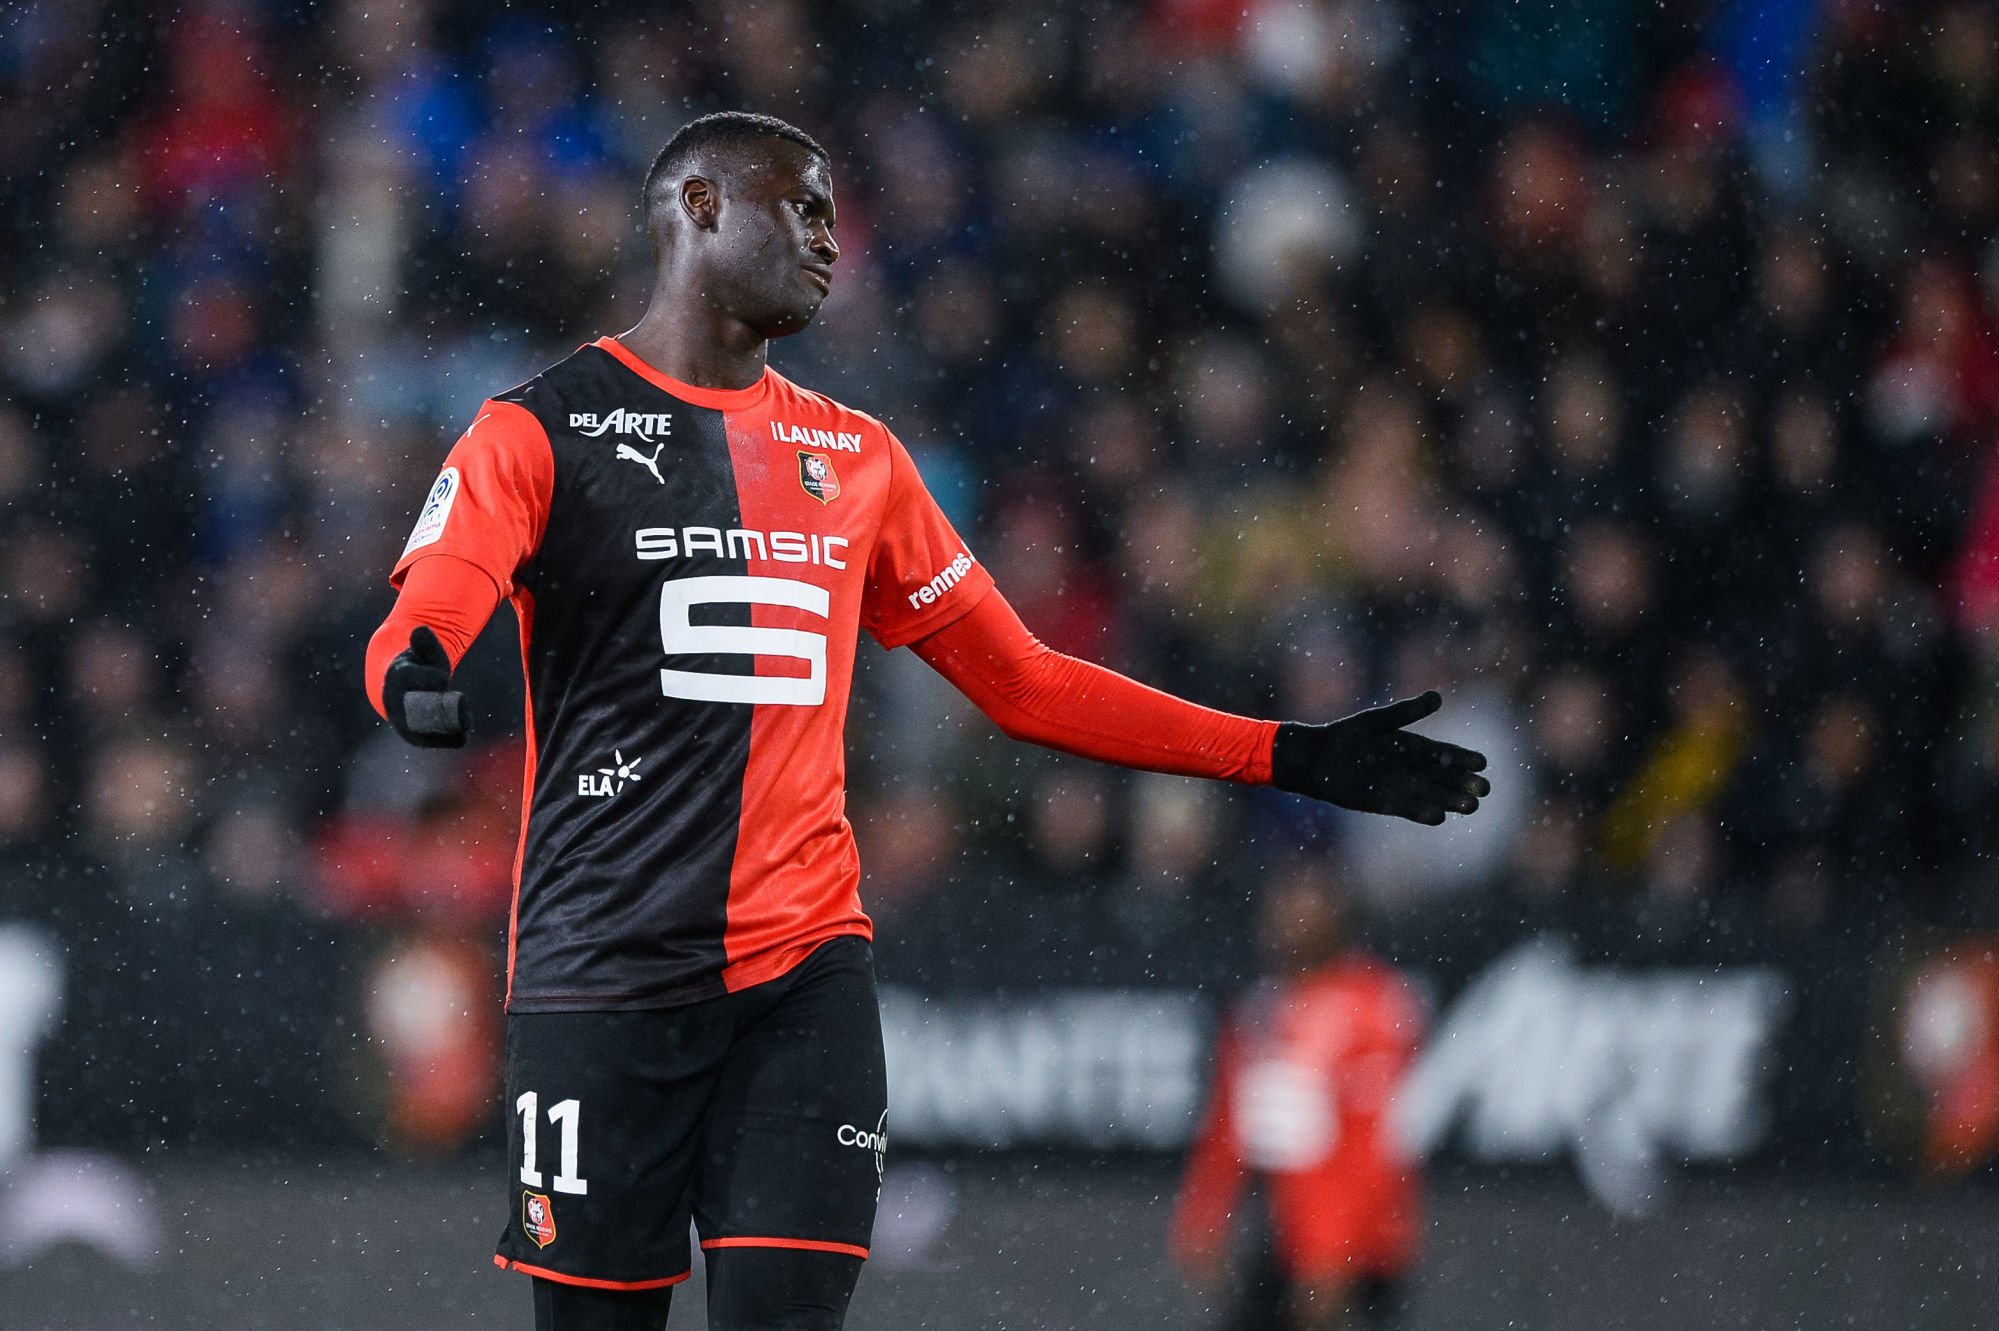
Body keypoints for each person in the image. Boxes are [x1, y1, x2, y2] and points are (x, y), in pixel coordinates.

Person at [362, 112, 1489, 1331]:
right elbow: (430, 601)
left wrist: (1287, 750)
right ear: (694, 209)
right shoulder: (537, 426)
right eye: (799, 207)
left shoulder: (857, 458)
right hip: (600, 977)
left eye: (835, 213)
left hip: (802, 979)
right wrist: (415, 669)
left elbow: (1030, 681)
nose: (828, 238)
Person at [1171, 859, 1427, 1331]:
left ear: (1337, 917)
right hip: (1281, 1230)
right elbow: (1229, 1125)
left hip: (1358, 1246)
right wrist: (1204, 1217)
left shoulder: (1374, 1006)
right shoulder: (1260, 1008)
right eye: (1279, 907)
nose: (1282, 919)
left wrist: (1334, 1258)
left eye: (1300, 908)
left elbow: (1373, 1146)